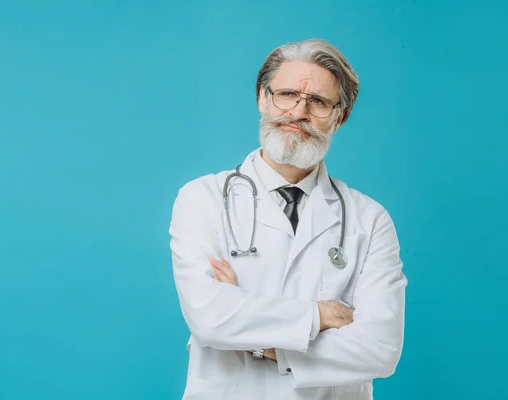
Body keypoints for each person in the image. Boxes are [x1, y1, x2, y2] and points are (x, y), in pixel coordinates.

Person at [169, 38, 407, 400]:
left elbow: (381, 349)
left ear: (339, 118)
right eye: (287, 94)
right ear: (263, 98)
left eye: (319, 102)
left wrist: (266, 346)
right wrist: (319, 316)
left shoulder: (369, 220)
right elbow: (210, 318)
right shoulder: (202, 198)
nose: (299, 112)